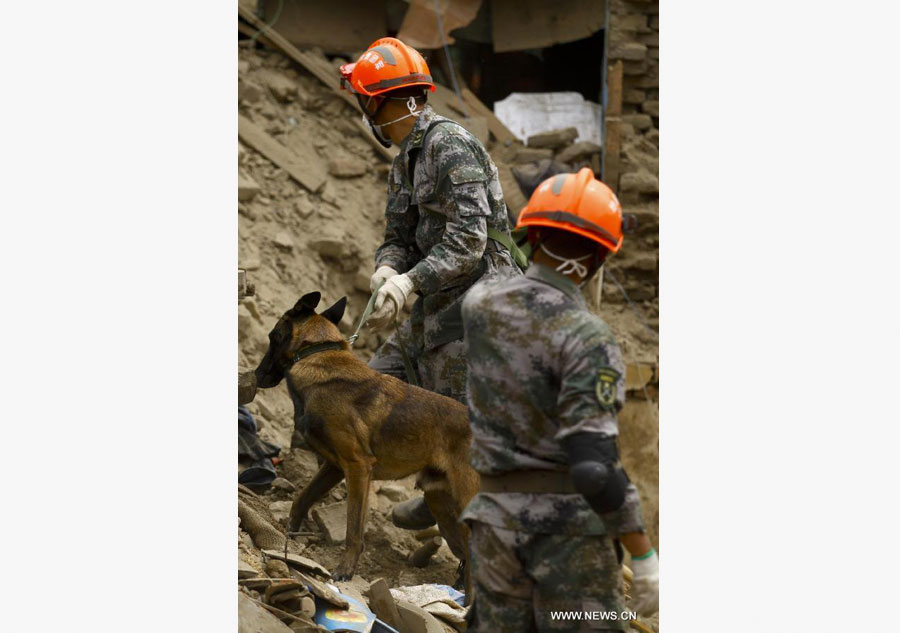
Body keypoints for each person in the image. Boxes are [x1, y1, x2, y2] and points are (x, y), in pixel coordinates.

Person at [460, 168, 659, 631]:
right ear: (598, 257)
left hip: (494, 527)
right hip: (568, 540)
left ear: (531, 235)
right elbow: (593, 467)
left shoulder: (479, 305)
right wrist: (644, 555)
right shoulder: (587, 335)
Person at [339, 38, 521, 531]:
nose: (363, 111)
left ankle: (466, 524)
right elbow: (398, 237)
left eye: (364, 100)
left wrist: (409, 283)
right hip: (435, 307)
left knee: (458, 429)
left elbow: (469, 241)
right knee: (363, 390)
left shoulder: (449, 146)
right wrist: (387, 270)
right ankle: (435, 482)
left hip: (476, 311)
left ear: (381, 103)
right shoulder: (407, 160)